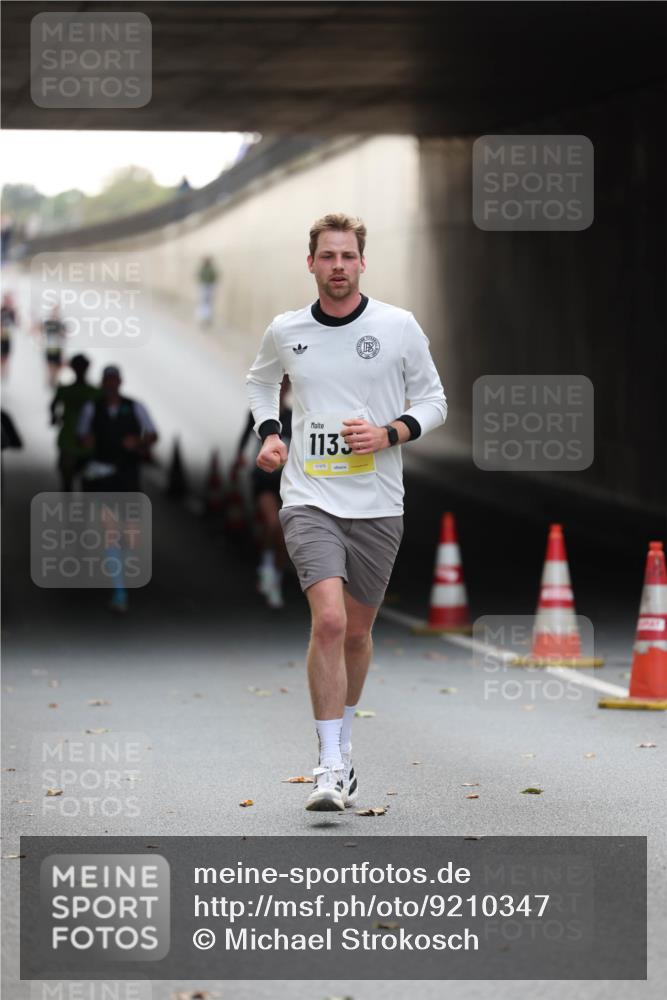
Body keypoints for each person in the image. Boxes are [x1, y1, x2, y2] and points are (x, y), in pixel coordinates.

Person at [246, 212, 447, 812]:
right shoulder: (286, 330)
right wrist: (270, 431)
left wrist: (390, 433)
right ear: (311, 263)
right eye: (327, 256)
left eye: (347, 256)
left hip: (378, 502)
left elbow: (434, 400)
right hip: (309, 496)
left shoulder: (398, 326)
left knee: (357, 633)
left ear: (362, 262)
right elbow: (260, 382)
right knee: (329, 621)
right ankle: (329, 764)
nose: (338, 266)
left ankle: (346, 744)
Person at [77, 365, 158, 613]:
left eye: (114, 380)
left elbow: (152, 434)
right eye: (107, 380)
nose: (111, 384)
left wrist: (138, 441)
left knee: (131, 536)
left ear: (120, 382)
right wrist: (88, 441)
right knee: (110, 531)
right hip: (103, 476)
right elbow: (82, 434)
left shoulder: (135, 407)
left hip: (128, 476)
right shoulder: (92, 408)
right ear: (103, 383)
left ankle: (122, 562)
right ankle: (119, 591)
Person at [234, 375, 293, 609]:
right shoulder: (257, 415)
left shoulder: (294, 417)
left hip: (288, 483)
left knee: (284, 535)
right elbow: (243, 440)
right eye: (278, 385)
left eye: (285, 385)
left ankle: (275, 579)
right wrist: (238, 459)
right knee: (272, 524)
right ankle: (267, 568)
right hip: (264, 480)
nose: (281, 389)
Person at [49, 354, 101, 491]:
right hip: (82, 442)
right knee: (87, 485)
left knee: (70, 484)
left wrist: (55, 418)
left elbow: (53, 405)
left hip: (75, 441)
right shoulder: (95, 392)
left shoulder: (66, 390)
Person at [42, 306, 67, 386]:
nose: (55, 313)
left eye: (56, 311)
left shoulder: (61, 324)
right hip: (49, 349)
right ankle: (50, 382)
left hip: (58, 349)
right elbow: (41, 332)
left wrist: (61, 333)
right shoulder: (48, 323)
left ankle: (54, 383)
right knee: (50, 368)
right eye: (54, 311)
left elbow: (64, 336)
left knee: (56, 369)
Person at [195, 256, 220, 327]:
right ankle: (203, 317)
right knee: (204, 302)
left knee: (207, 303)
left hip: (209, 287)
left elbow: (214, 277)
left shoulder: (210, 269)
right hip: (205, 287)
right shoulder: (204, 268)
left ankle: (206, 318)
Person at [1, 293, 17, 378]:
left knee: (7, 356)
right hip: (1, 338)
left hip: (8, 338)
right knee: (1, 356)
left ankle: (5, 372)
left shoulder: (12, 312)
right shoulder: (1, 310)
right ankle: (2, 370)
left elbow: (16, 323)